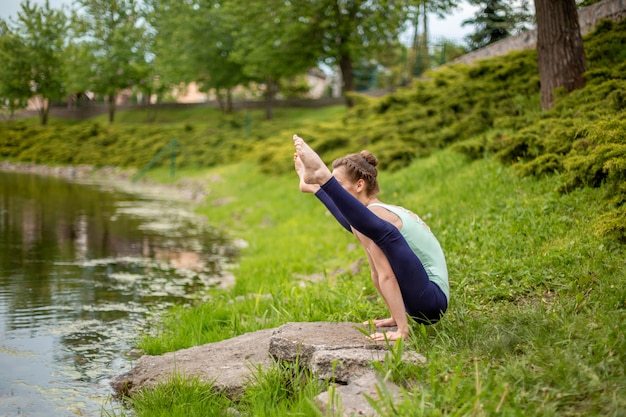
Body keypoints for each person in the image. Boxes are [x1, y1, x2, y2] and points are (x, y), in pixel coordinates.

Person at [292, 134, 449, 341]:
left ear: (359, 186)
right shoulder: (378, 213)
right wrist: (395, 316)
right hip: (420, 298)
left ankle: (321, 181)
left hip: (431, 300)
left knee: (371, 226)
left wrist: (402, 329)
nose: (338, 191)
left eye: (338, 185)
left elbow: (386, 276)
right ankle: (316, 186)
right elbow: (376, 272)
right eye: (334, 185)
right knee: (358, 224)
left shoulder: (378, 213)